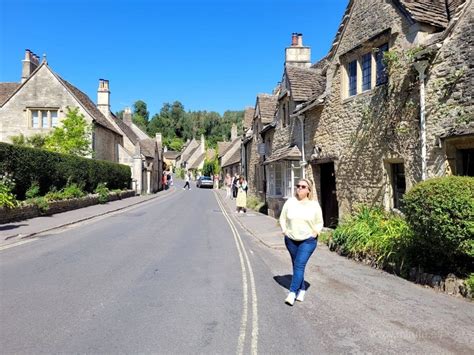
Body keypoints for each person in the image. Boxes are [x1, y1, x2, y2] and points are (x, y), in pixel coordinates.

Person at [279, 178, 324, 306]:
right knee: (297, 265)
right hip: (291, 240)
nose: (299, 188)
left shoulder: (314, 205)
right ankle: (302, 288)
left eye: (303, 186)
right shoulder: (290, 202)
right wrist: (284, 230)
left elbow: (319, 222)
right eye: (298, 186)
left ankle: (292, 292)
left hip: (308, 241)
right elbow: (282, 218)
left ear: (309, 190)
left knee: (299, 265)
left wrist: (315, 232)